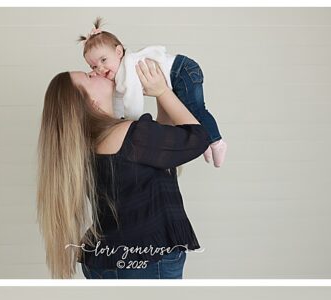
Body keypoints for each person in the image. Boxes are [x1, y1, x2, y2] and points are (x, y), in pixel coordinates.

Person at [36, 59, 210, 279]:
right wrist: (164, 92)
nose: (95, 71)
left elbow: (163, 148)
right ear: (92, 103)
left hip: (104, 258)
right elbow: (198, 138)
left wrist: (158, 94)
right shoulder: (129, 134)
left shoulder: (90, 143)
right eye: (89, 77)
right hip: (145, 262)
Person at [79, 17, 227, 166]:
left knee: (196, 109)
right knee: (187, 114)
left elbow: (133, 99)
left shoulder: (127, 68)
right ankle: (207, 143)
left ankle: (217, 142)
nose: (100, 69)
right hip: (177, 74)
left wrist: (132, 124)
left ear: (118, 52)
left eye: (103, 60)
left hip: (181, 70)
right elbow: (118, 99)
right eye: (94, 67)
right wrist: (117, 121)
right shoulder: (118, 77)